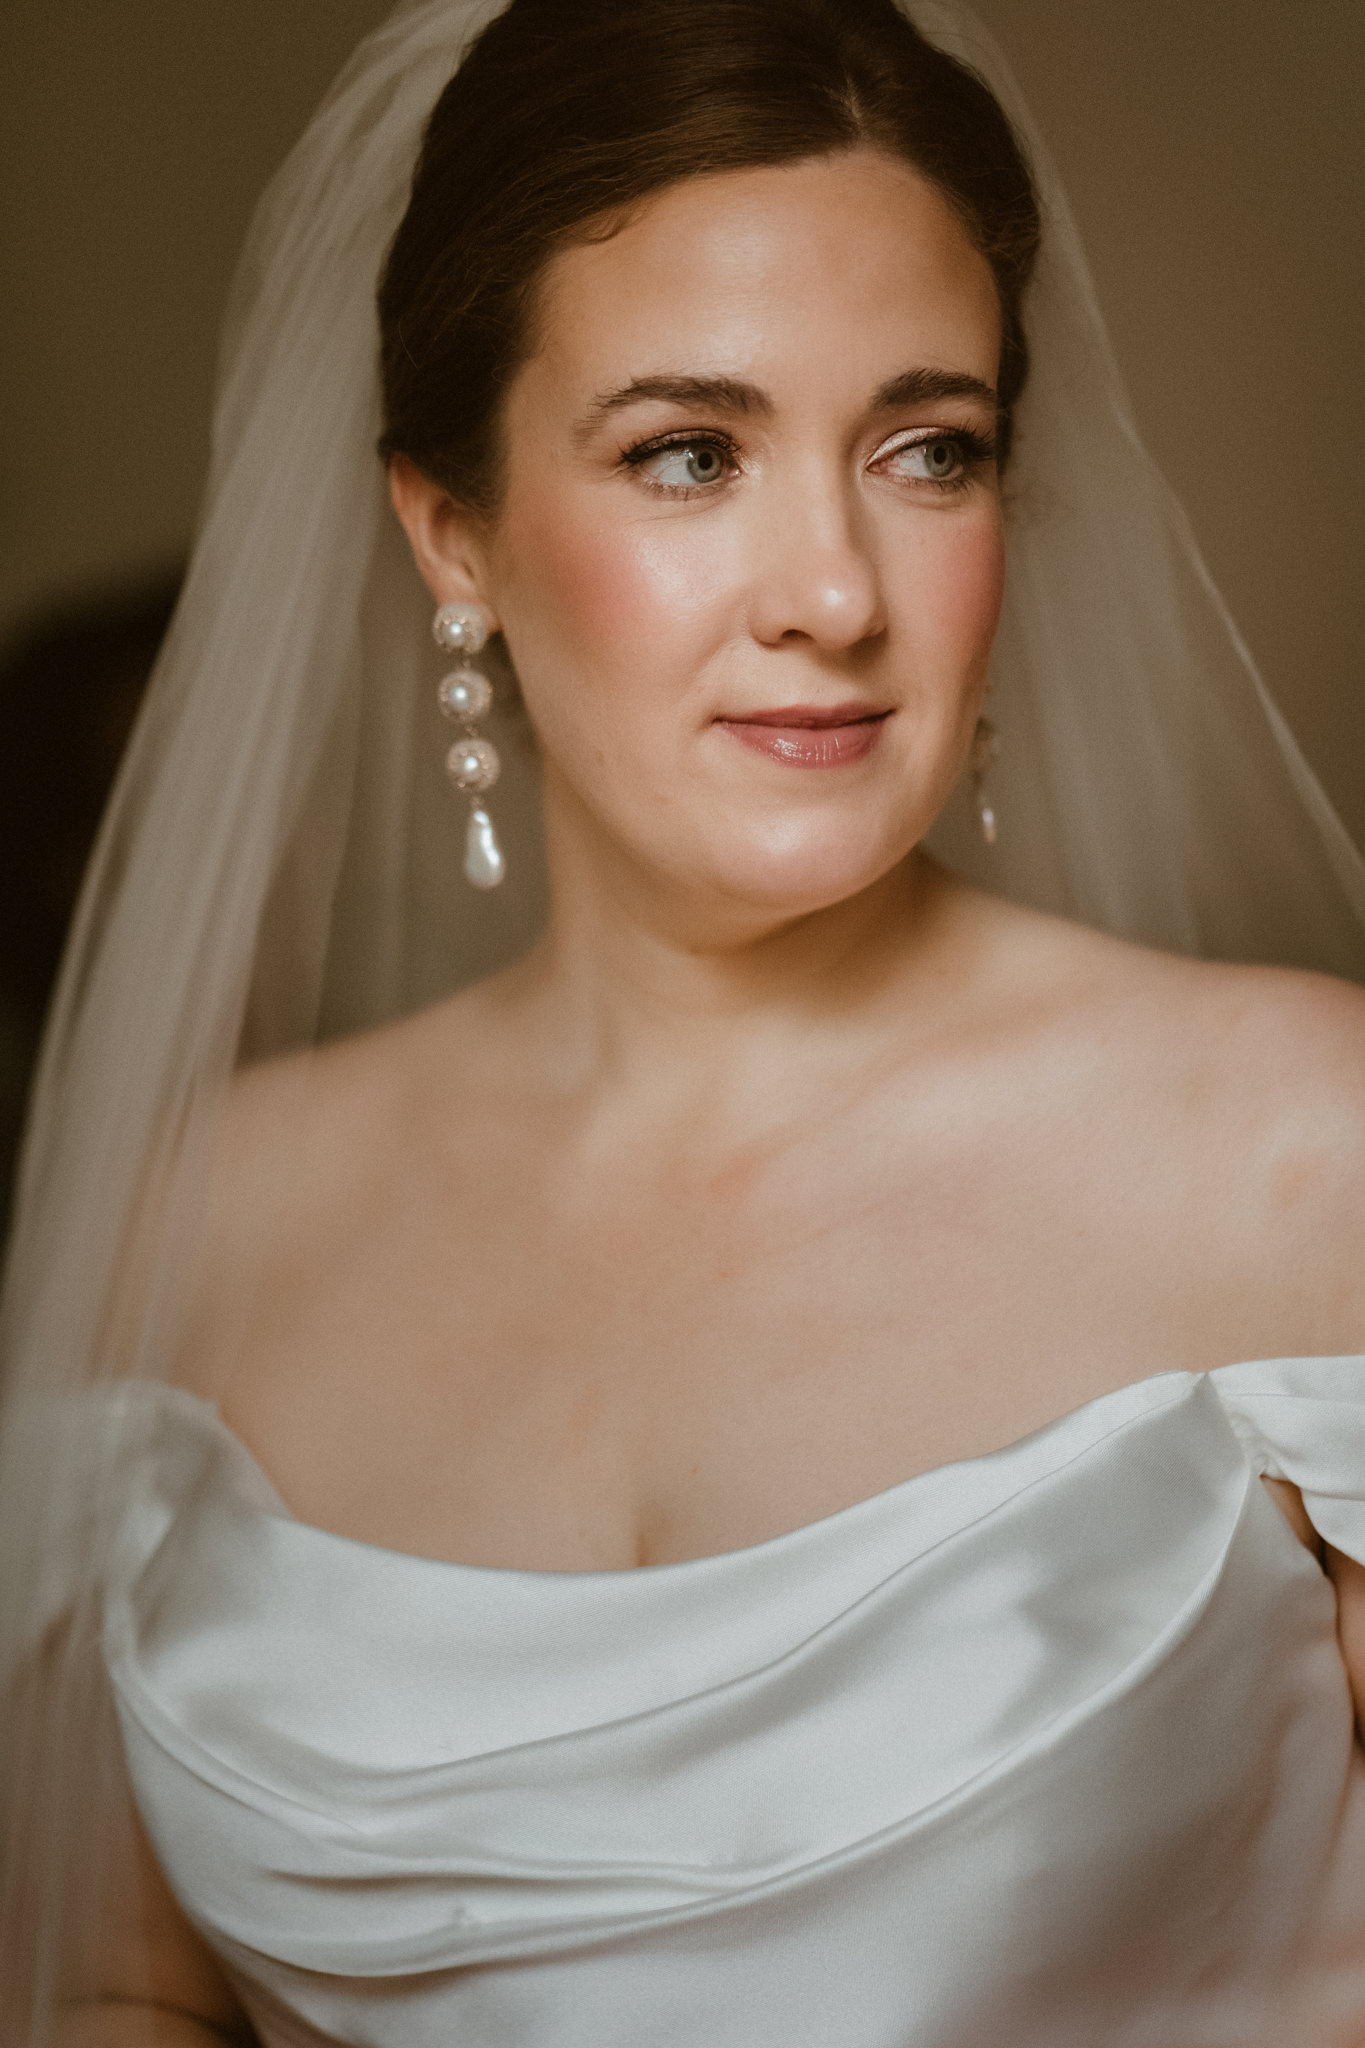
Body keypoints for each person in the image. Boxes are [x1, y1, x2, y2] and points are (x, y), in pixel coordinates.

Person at [2, 0, 1364, 2042]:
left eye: (928, 449)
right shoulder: (196, 1222)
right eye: (686, 453)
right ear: (449, 531)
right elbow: (122, 1990)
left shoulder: (1298, 1151)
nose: (828, 585)